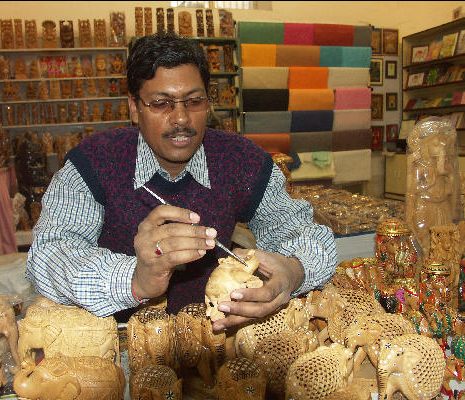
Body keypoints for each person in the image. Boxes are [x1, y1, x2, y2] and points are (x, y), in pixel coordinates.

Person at [26, 32, 337, 332]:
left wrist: (293, 271)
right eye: (161, 103)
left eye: (194, 101)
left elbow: (302, 231)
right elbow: (49, 255)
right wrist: (135, 279)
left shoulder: (242, 160)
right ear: (134, 107)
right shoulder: (93, 163)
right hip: (117, 347)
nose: (181, 119)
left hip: (216, 340)